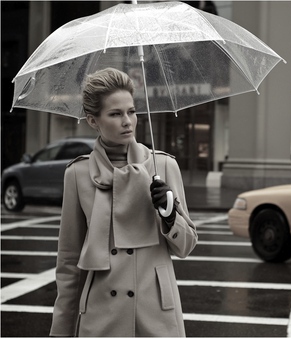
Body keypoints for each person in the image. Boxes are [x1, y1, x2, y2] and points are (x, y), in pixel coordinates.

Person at [50, 68, 198, 337]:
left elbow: (186, 246)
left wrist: (169, 215)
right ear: (93, 121)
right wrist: (61, 331)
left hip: (155, 313)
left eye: (132, 111)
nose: (127, 121)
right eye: (115, 114)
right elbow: (69, 261)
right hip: (100, 314)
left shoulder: (163, 165)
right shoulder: (78, 174)